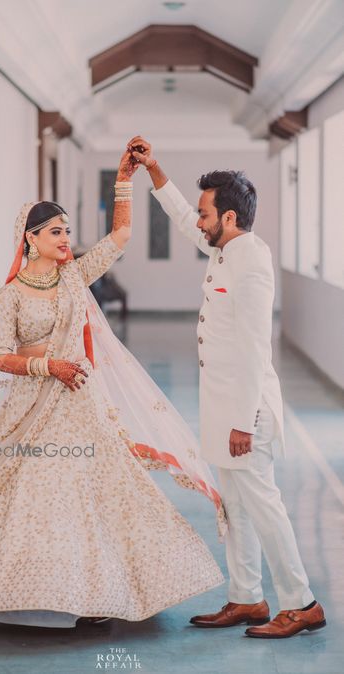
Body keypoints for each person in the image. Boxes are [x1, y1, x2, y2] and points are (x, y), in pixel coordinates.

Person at [0, 146, 226, 629]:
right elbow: (0, 355)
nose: (66, 239)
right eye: (56, 232)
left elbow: (122, 235)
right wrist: (50, 365)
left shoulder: (74, 277)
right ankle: (19, 589)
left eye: (68, 231)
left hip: (81, 407)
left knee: (95, 496)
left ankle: (94, 594)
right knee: (25, 497)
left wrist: (124, 180)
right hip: (30, 411)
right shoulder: (9, 295)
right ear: (30, 240)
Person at [129, 136, 326, 639]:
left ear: (229, 218)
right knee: (234, 507)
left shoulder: (252, 263)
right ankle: (247, 598)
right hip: (221, 411)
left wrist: (244, 421)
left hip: (246, 415)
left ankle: (301, 603)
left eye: (204, 213)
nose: (198, 220)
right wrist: (154, 170)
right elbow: (179, 219)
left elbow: (256, 350)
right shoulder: (224, 250)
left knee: (264, 506)